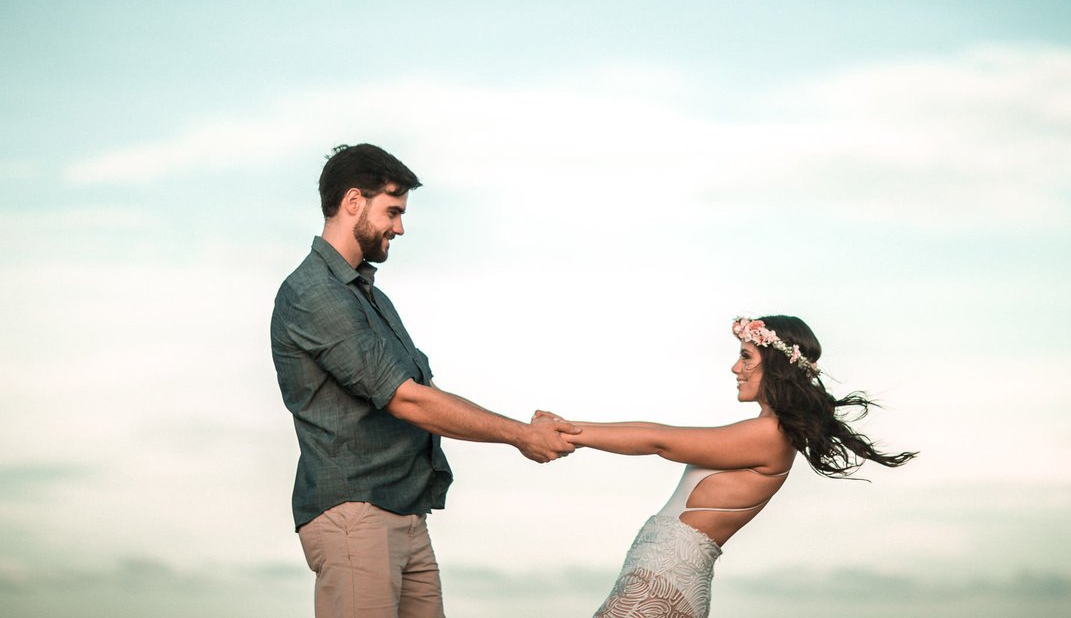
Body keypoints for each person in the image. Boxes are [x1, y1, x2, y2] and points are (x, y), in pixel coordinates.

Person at [271, 143, 580, 618]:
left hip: (405, 514)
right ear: (353, 201)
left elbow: (424, 394)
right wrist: (520, 435)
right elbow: (406, 400)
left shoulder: (370, 298)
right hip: (357, 516)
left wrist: (527, 427)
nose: (399, 227)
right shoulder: (314, 293)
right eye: (392, 211)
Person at [536, 314, 917, 618]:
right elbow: (659, 433)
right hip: (661, 584)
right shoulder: (766, 430)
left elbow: (659, 441)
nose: (736, 367)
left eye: (746, 356)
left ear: (776, 365)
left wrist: (568, 432)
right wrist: (568, 426)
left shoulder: (770, 434)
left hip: (659, 586)